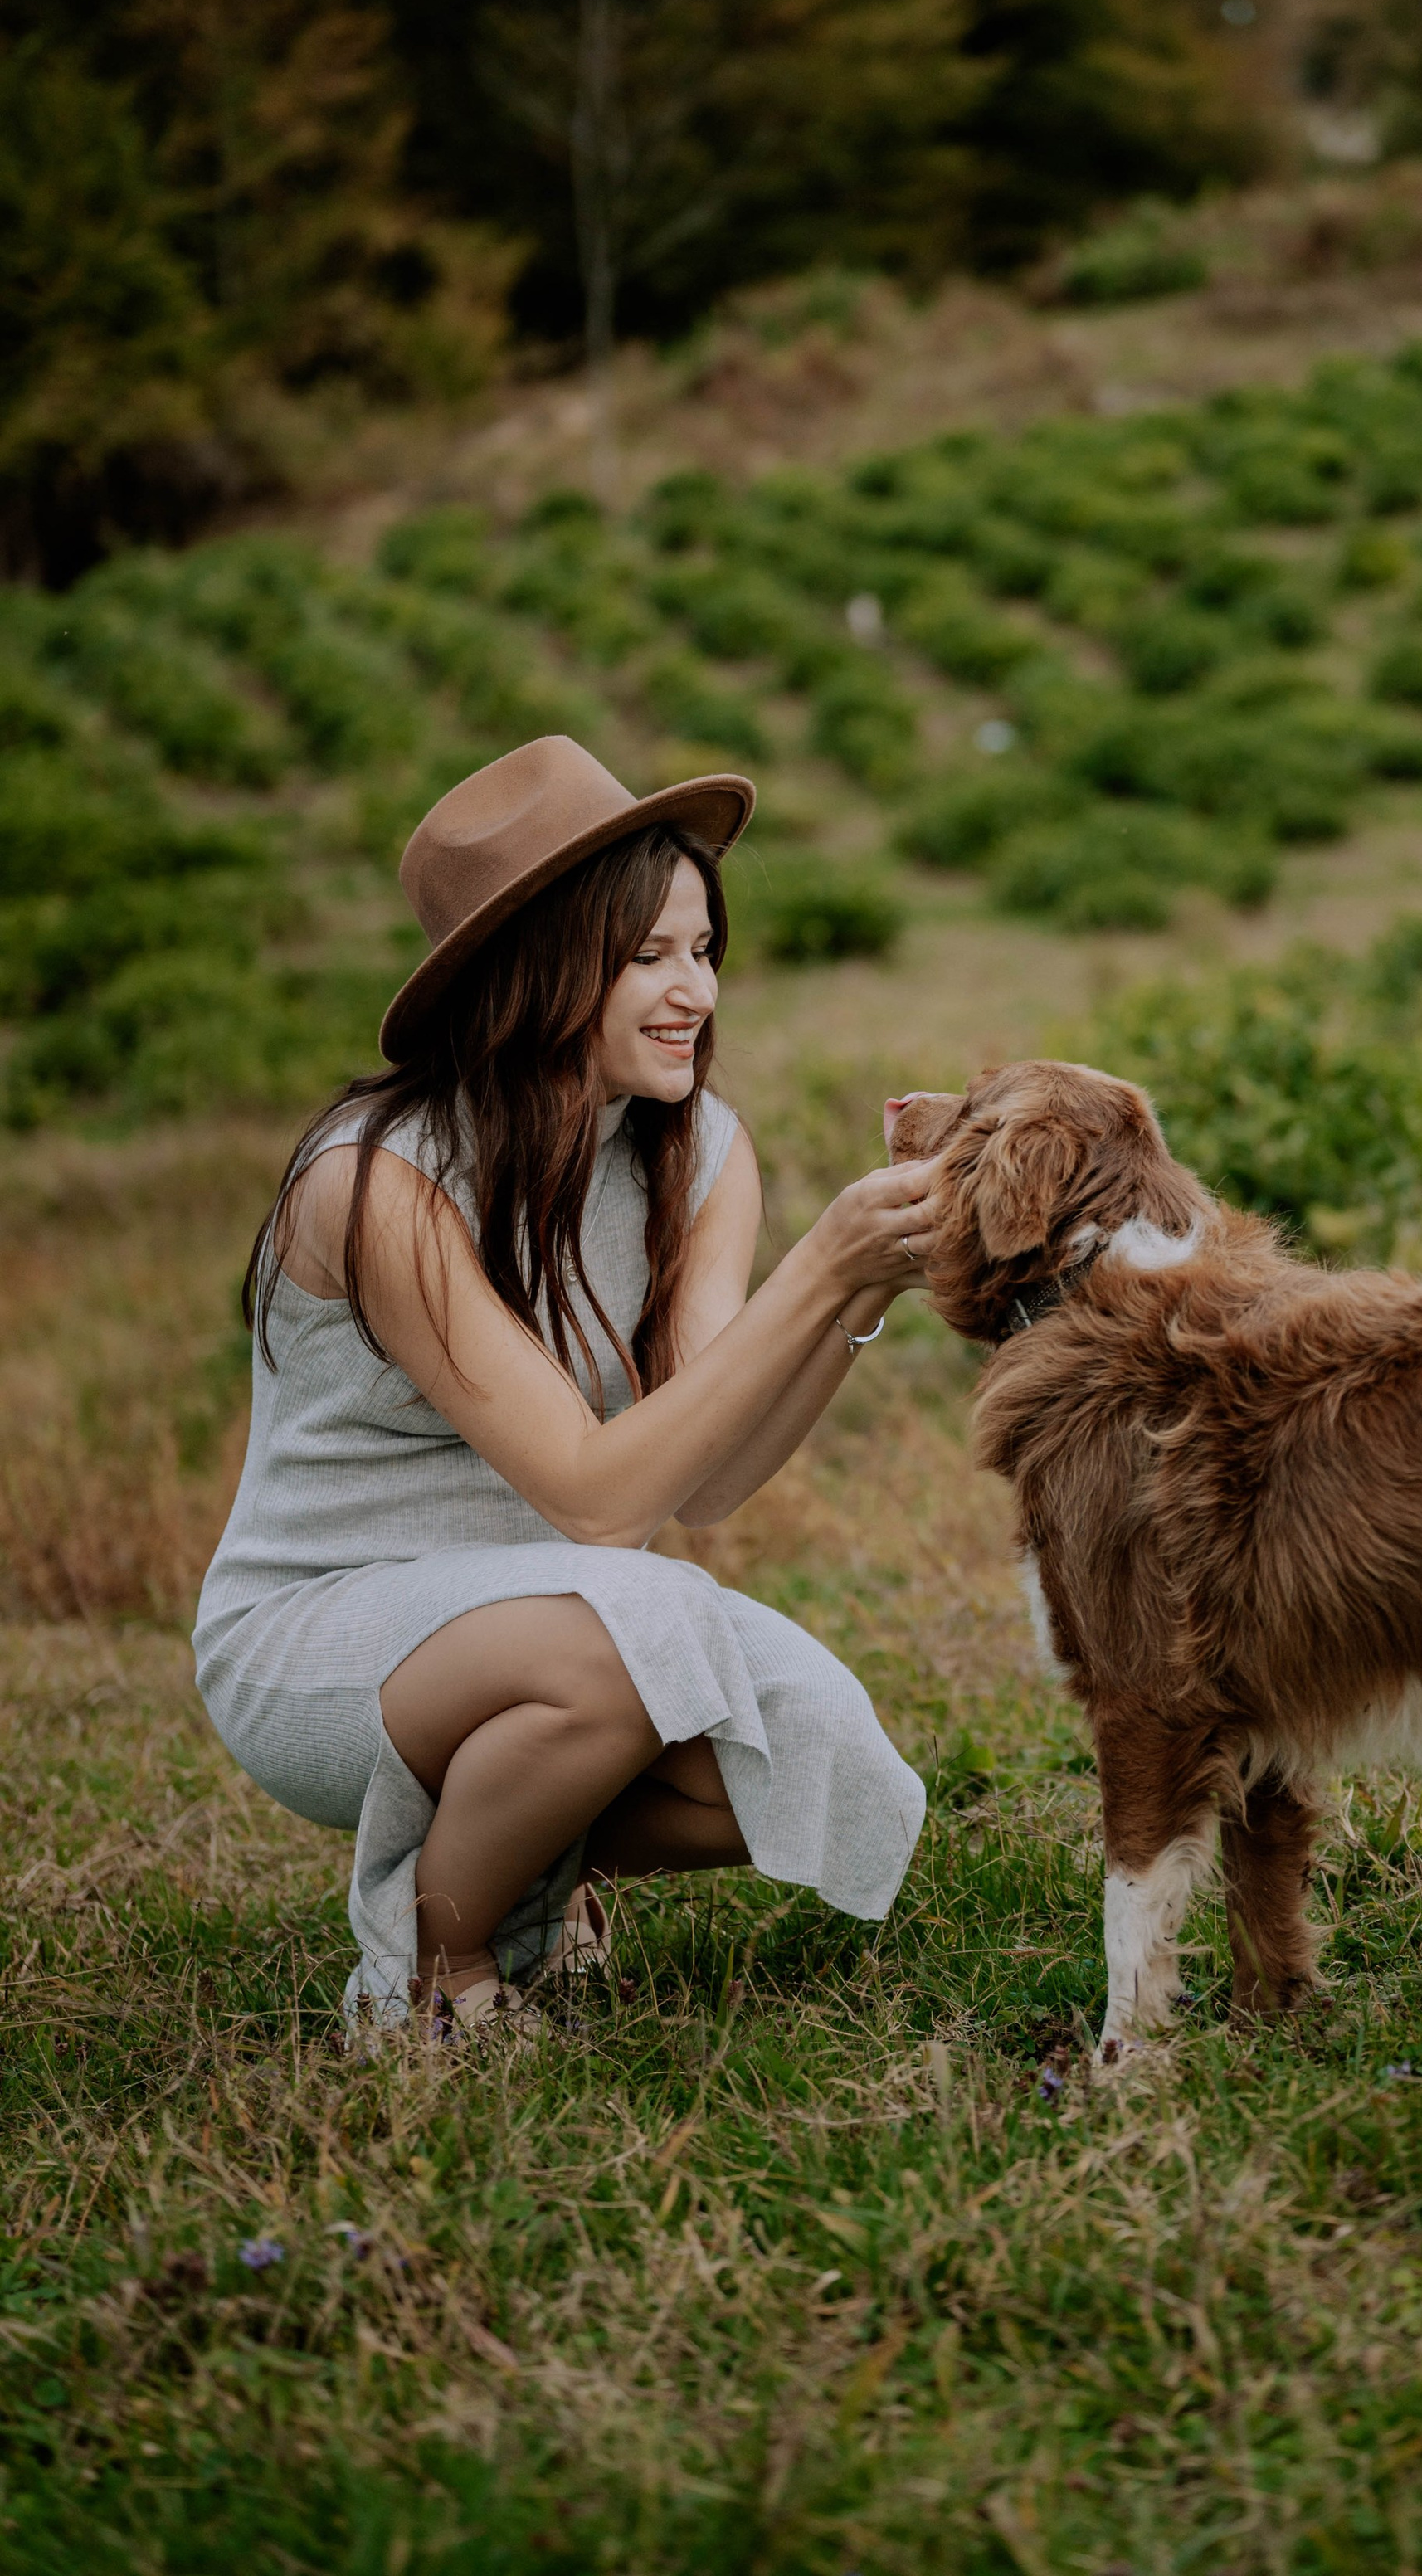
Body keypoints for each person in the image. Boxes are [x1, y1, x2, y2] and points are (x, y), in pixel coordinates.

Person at [192, 735, 934, 2037]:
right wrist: (820, 1270)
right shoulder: (377, 1181)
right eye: (645, 955)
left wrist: (859, 1292)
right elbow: (597, 1504)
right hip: (330, 1634)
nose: (692, 990)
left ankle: (524, 1856)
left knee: (819, 1749)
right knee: (622, 1635)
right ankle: (435, 1971)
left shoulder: (698, 1149)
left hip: (580, 1612)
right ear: (537, 969)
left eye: (703, 951)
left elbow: (703, 1477)